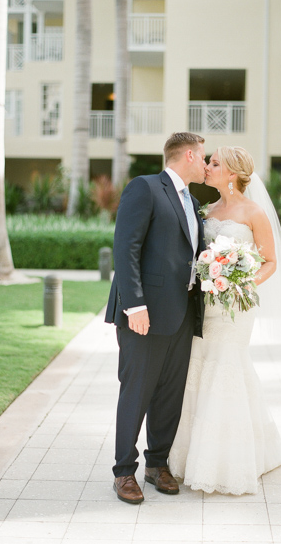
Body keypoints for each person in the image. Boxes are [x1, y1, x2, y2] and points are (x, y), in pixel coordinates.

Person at [168, 145, 281, 494]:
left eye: (215, 163)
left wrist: (239, 281)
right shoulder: (205, 210)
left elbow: (270, 262)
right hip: (206, 305)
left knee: (227, 368)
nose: (207, 166)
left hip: (235, 306)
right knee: (200, 369)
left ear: (233, 173)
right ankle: (191, 454)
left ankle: (228, 460)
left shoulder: (254, 213)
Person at [105, 132, 207, 504]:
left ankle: (157, 464)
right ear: (190, 156)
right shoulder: (145, 188)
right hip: (143, 314)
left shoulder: (193, 202)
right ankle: (123, 472)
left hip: (182, 314)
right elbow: (125, 246)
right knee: (136, 391)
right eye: (204, 156)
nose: (206, 163)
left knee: (169, 394)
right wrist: (135, 305)